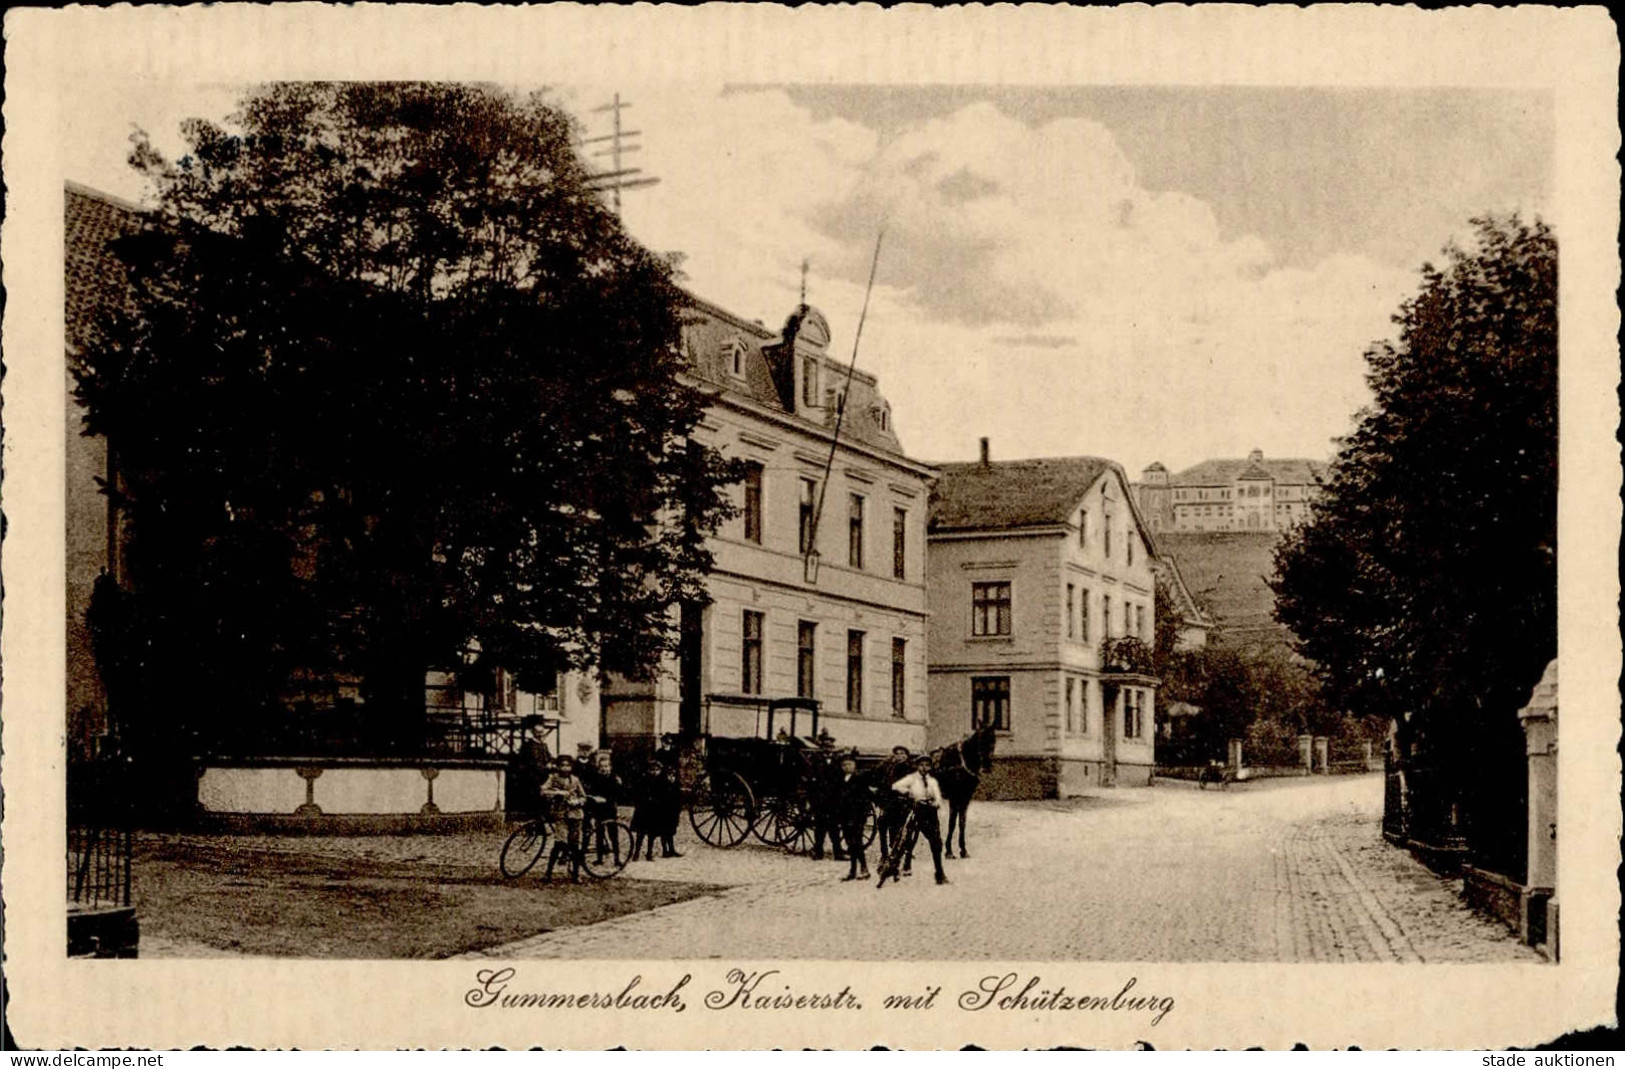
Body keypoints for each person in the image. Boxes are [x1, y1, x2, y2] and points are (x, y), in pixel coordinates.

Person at [891, 752, 949, 885]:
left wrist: (936, 803)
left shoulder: (932, 781)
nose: (924, 768)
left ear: (930, 767)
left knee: (936, 842)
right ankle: (902, 866)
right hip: (916, 810)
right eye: (921, 765)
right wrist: (908, 792)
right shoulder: (911, 779)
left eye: (927, 765)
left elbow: (938, 797)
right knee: (909, 840)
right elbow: (896, 786)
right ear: (917, 766)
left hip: (930, 813)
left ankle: (939, 873)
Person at [539, 755, 587, 883]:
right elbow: (543, 791)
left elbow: (583, 797)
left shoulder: (575, 780)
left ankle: (576, 874)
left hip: (576, 815)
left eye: (568, 765)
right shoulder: (553, 778)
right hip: (560, 815)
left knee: (575, 845)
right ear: (558, 767)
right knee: (559, 843)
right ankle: (548, 873)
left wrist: (577, 802)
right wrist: (558, 793)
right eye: (563, 765)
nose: (565, 768)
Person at [836, 752, 873, 881]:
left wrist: (859, 813)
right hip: (845, 815)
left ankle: (864, 868)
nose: (846, 767)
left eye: (849, 764)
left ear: (854, 765)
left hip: (857, 815)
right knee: (850, 843)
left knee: (856, 842)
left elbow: (866, 798)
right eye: (844, 765)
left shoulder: (860, 779)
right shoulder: (841, 779)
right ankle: (853, 870)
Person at [583, 749, 624, 864]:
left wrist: (608, 799)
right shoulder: (596, 778)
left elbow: (617, 794)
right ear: (598, 768)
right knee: (599, 835)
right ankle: (599, 858)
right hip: (599, 810)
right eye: (602, 767)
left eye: (606, 766)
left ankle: (617, 858)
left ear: (610, 767)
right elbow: (593, 791)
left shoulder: (614, 779)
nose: (604, 769)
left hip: (610, 810)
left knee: (613, 835)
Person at [509, 718, 553, 819]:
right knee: (533, 804)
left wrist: (550, 763)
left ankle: (541, 825)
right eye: (538, 732)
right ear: (533, 732)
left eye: (542, 732)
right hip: (532, 778)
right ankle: (533, 826)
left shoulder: (544, 745)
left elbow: (549, 758)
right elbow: (524, 762)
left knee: (543, 801)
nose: (540, 734)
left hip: (543, 777)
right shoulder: (528, 745)